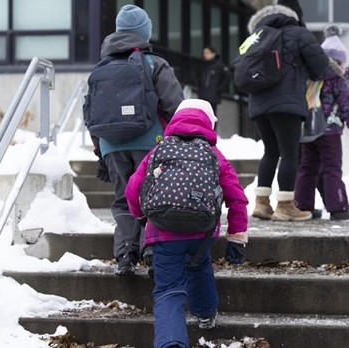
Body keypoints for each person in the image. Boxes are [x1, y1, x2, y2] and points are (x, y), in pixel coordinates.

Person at [125, 99, 249, 348]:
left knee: (168, 289)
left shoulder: (158, 151)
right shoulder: (213, 154)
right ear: (209, 123)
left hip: (162, 231)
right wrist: (236, 236)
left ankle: (171, 342)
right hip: (201, 231)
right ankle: (205, 314)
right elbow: (237, 197)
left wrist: (140, 216)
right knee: (199, 266)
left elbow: (132, 189)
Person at [92, 4, 184, 275]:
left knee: (123, 200)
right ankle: (153, 250)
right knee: (152, 196)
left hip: (111, 145)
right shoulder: (154, 63)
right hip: (150, 143)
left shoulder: (101, 66)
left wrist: (101, 151)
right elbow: (174, 106)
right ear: (145, 34)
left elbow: (92, 113)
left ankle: (125, 255)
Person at [247, 2, 330, 222]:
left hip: (257, 103)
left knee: (270, 151)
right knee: (289, 153)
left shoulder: (257, 34)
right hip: (287, 104)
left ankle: (261, 204)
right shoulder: (298, 33)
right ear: (294, 14)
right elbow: (321, 66)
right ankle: (285, 206)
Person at [294, 25, 349, 221]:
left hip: (308, 131)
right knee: (332, 168)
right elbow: (348, 106)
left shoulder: (309, 76)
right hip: (330, 132)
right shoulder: (337, 79)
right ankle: (338, 207)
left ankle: (303, 206)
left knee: (307, 168)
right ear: (340, 61)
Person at [196, 46, 231, 116]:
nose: (205, 55)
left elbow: (228, 75)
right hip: (203, 94)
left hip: (213, 95)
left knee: (212, 114)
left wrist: (220, 88)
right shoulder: (204, 65)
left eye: (207, 53)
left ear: (213, 54)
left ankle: (212, 127)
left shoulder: (219, 65)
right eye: (204, 53)